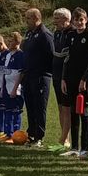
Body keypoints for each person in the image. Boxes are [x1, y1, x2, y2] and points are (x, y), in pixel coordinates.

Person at [64, 9, 88, 157]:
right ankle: (74, 147)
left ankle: (85, 148)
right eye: (76, 20)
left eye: (81, 19)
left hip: (84, 81)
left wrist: (84, 79)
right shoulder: (70, 35)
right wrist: (64, 78)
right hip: (71, 80)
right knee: (73, 112)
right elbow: (67, 58)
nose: (79, 22)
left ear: (86, 19)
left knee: (84, 113)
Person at [19, 8, 55, 146]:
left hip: (40, 76)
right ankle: (31, 133)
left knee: (39, 107)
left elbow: (51, 55)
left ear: (35, 18)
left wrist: (45, 71)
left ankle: (39, 136)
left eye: (28, 18)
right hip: (28, 75)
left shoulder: (45, 35)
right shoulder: (29, 33)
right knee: (30, 106)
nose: (25, 21)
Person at [51, 8, 77, 151]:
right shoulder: (56, 33)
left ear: (66, 19)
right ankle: (64, 137)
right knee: (60, 107)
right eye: (54, 18)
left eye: (57, 18)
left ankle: (66, 139)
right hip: (56, 74)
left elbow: (64, 54)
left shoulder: (72, 33)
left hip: (66, 76)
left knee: (67, 108)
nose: (54, 21)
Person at [0, 32, 27, 142]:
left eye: (11, 41)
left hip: (15, 88)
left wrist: (15, 89)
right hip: (6, 87)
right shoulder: (8, 54)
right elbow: (5, 73)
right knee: (7, 110)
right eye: (8, 41)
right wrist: (2, 88)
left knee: (15, 111)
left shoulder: (20, 55)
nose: (9, 43)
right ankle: (8, 133)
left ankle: (16, 134)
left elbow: (21, 73)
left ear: (17, 42)